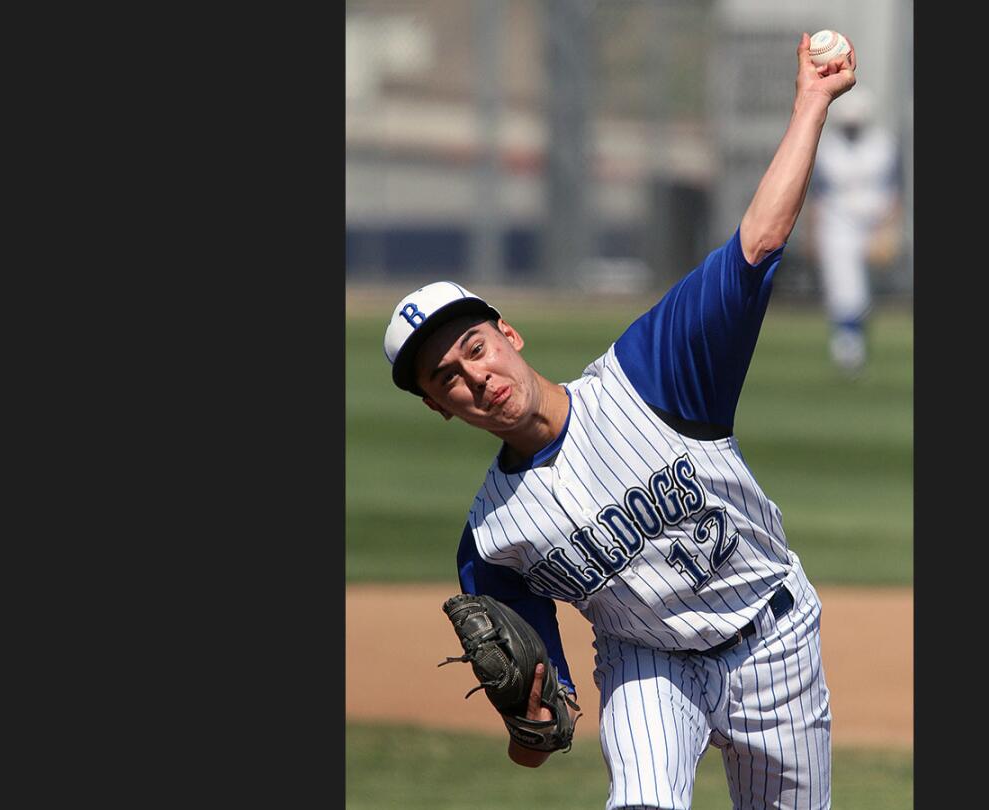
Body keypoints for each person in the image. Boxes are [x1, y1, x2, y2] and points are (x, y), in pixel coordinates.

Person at [382, 33, 856, 810]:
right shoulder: (493, 541)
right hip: (646, 664)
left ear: (509, 333)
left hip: (772, 636)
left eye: (475, 347)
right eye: (448, 379)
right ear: (440, 406)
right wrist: (529, 725)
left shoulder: (651, 372)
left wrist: (811, 101)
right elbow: (542, 736)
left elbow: (757, 246)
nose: (477, 378)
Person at [807, 86, 902, 375]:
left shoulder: (882, 145)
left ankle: (853, 340)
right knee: (844, 289)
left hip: (874, 225)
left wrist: (889, 231)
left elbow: (896, 191)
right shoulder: (828, 148)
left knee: (864, 295)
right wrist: (813, 235)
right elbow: (818, 197)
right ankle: (848, 347)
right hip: (838, 226)